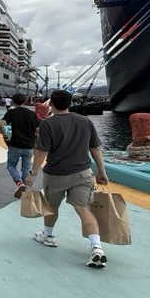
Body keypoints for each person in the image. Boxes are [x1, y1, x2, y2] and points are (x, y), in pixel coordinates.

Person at [23, 89, 110, 268]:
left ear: (51, 105)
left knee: (52, 207)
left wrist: (33, 174)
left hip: (56, 174)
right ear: (70, 103)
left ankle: (48, 236)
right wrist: (102, 171)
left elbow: (42, 151)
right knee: (84, 209)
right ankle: (97, 248)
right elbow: (95, 148)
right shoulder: (85, 121)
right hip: (83, 173)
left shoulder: (48, 124)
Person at [0, 93, 39, 198]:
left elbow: (1, 125)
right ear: (25, 101)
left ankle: (19, 183)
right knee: (26, 169)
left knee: (11, 166)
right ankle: (25, 189)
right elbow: (38, 131)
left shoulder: (11, 112)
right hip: (29, 145)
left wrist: (5, 137)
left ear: (13, 102)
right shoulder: (32, 114)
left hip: (15, 144)